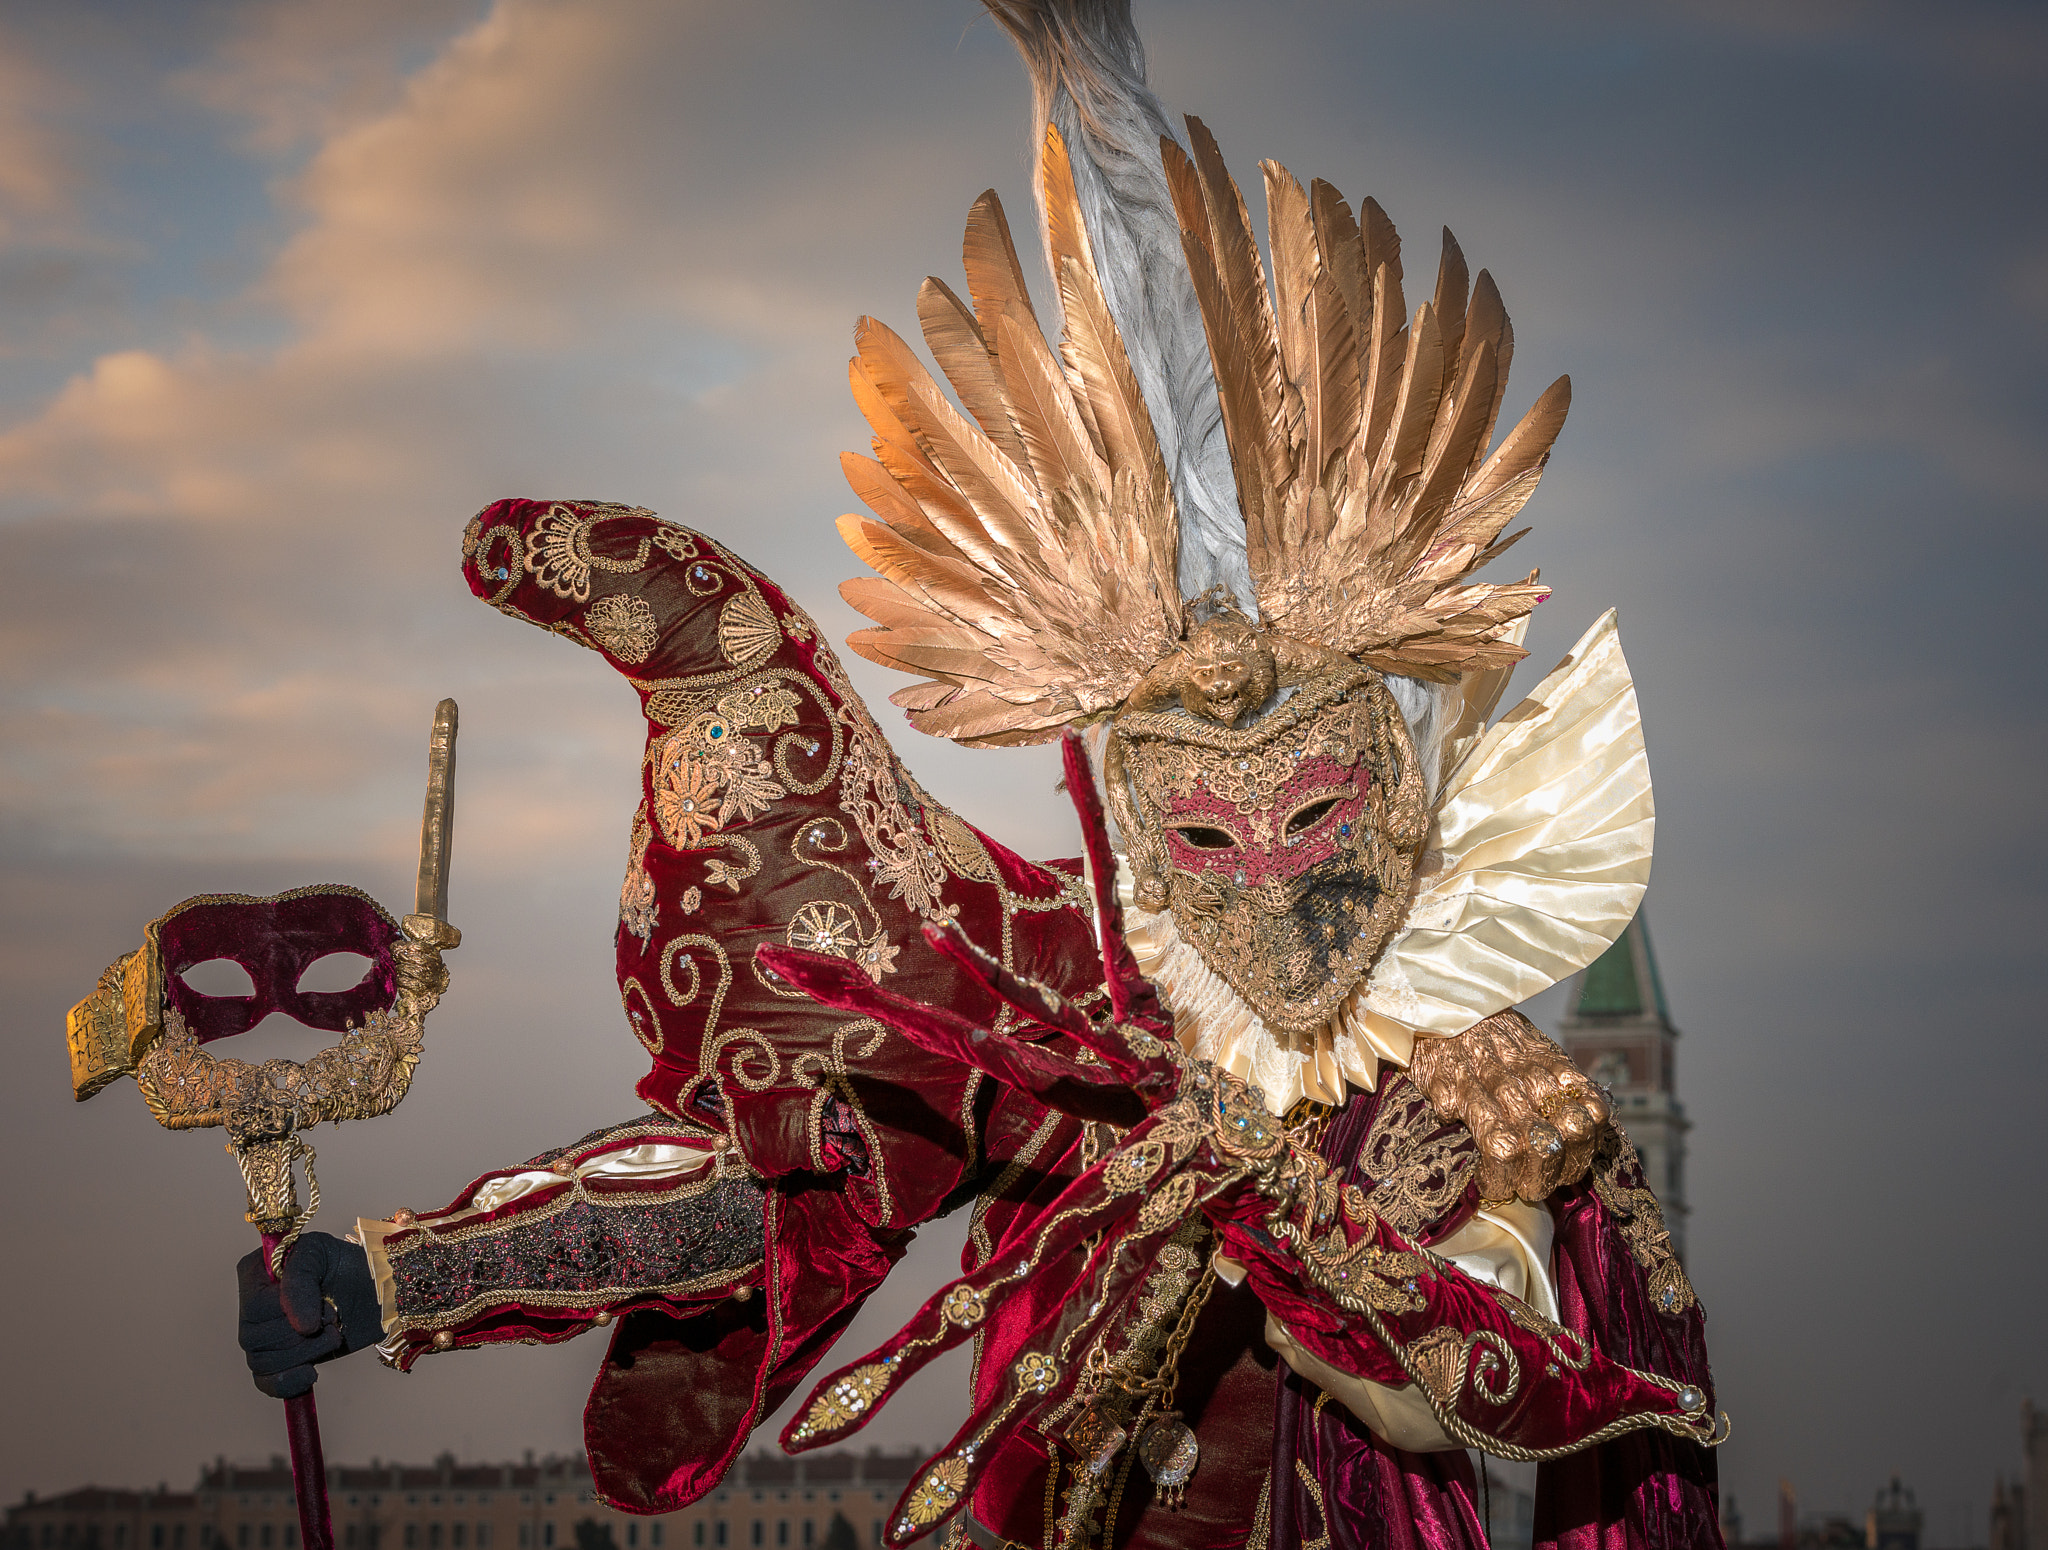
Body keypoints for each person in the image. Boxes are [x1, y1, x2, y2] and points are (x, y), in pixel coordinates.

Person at [237, 5, 1725, 1546]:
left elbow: (1457, 1389)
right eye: (1211, 825)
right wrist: (405, 1273)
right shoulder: (1063, 1005)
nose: (1271, 874)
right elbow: (775, 1184)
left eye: (1313, 812)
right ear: (1143, 816)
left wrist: (1274, 1209)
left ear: (1396, 793)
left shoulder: (1461, 1070)